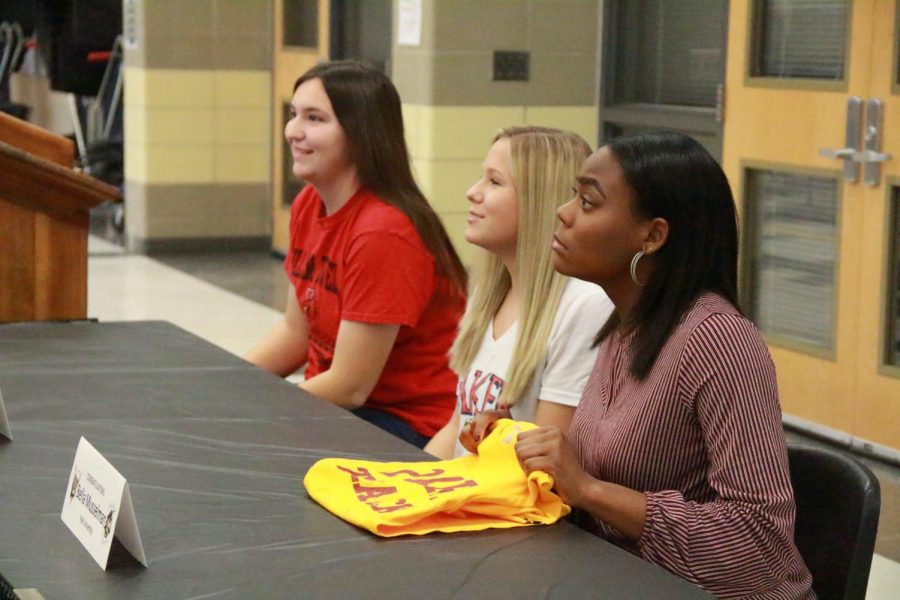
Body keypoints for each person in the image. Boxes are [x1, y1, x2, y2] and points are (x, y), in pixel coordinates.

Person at [468, 132, 814, 598]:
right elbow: (596, 479)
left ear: (652, 235)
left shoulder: (719, 341)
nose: (563, 212)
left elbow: (759, 542)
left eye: (587, 202)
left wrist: (589, 490)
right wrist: (521, 446)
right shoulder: (626, 324)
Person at [245, 61, 466, 449]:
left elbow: (350, 386)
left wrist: (256, 411)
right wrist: (229, 384)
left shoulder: (384, 231)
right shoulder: (308, 205)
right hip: (341, 406)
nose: (293, 131)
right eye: (294, 114)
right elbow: (296, 334)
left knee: (246, 446)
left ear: (360, 134)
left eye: (315, 119)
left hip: (405, 422)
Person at [424, 126, 613, 459]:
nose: (472, 192)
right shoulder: (489, 294)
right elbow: (456, 429)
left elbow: (541, 465)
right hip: (464, 494)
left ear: (539, 199)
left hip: (506, 505)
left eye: (494, 182)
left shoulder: (585, 305)